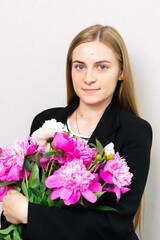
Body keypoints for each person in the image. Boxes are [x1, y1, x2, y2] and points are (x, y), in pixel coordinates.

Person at [1, 24, 152, 240]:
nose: (88, 78)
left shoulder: (135, 131)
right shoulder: (45, 122)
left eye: (102, 67)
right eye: (80, 66)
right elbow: (16, 203)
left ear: (121, 72)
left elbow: (113, 224)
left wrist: (29, 214)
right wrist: (14, 212)